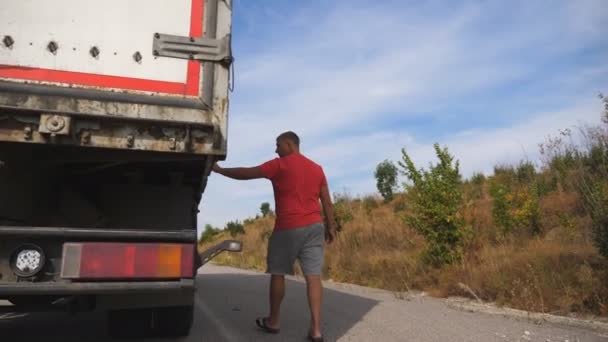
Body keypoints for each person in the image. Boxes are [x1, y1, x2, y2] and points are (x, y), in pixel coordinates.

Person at [212, 131, 336, 342]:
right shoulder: (317, 169)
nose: (276, 149)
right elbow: (327, 201)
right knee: (313, 277)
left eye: (278, 145)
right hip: (315, 226)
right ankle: (316, 330)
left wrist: (220, 171)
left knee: (278, 273)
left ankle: (274, 321)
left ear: (289, 144)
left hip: (288, 226)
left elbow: (247, 173)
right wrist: (331, 226)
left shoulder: (280, 165)